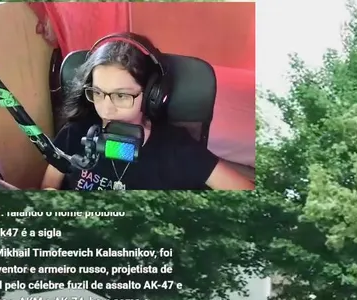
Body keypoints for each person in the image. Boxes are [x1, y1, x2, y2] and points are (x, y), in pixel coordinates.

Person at [41, 32, 253, 191]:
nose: (105, 109)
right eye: (97, 92)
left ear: (153, 95)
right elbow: (49, 185)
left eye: (121, 95)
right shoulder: (75, 132)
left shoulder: (176, 149)